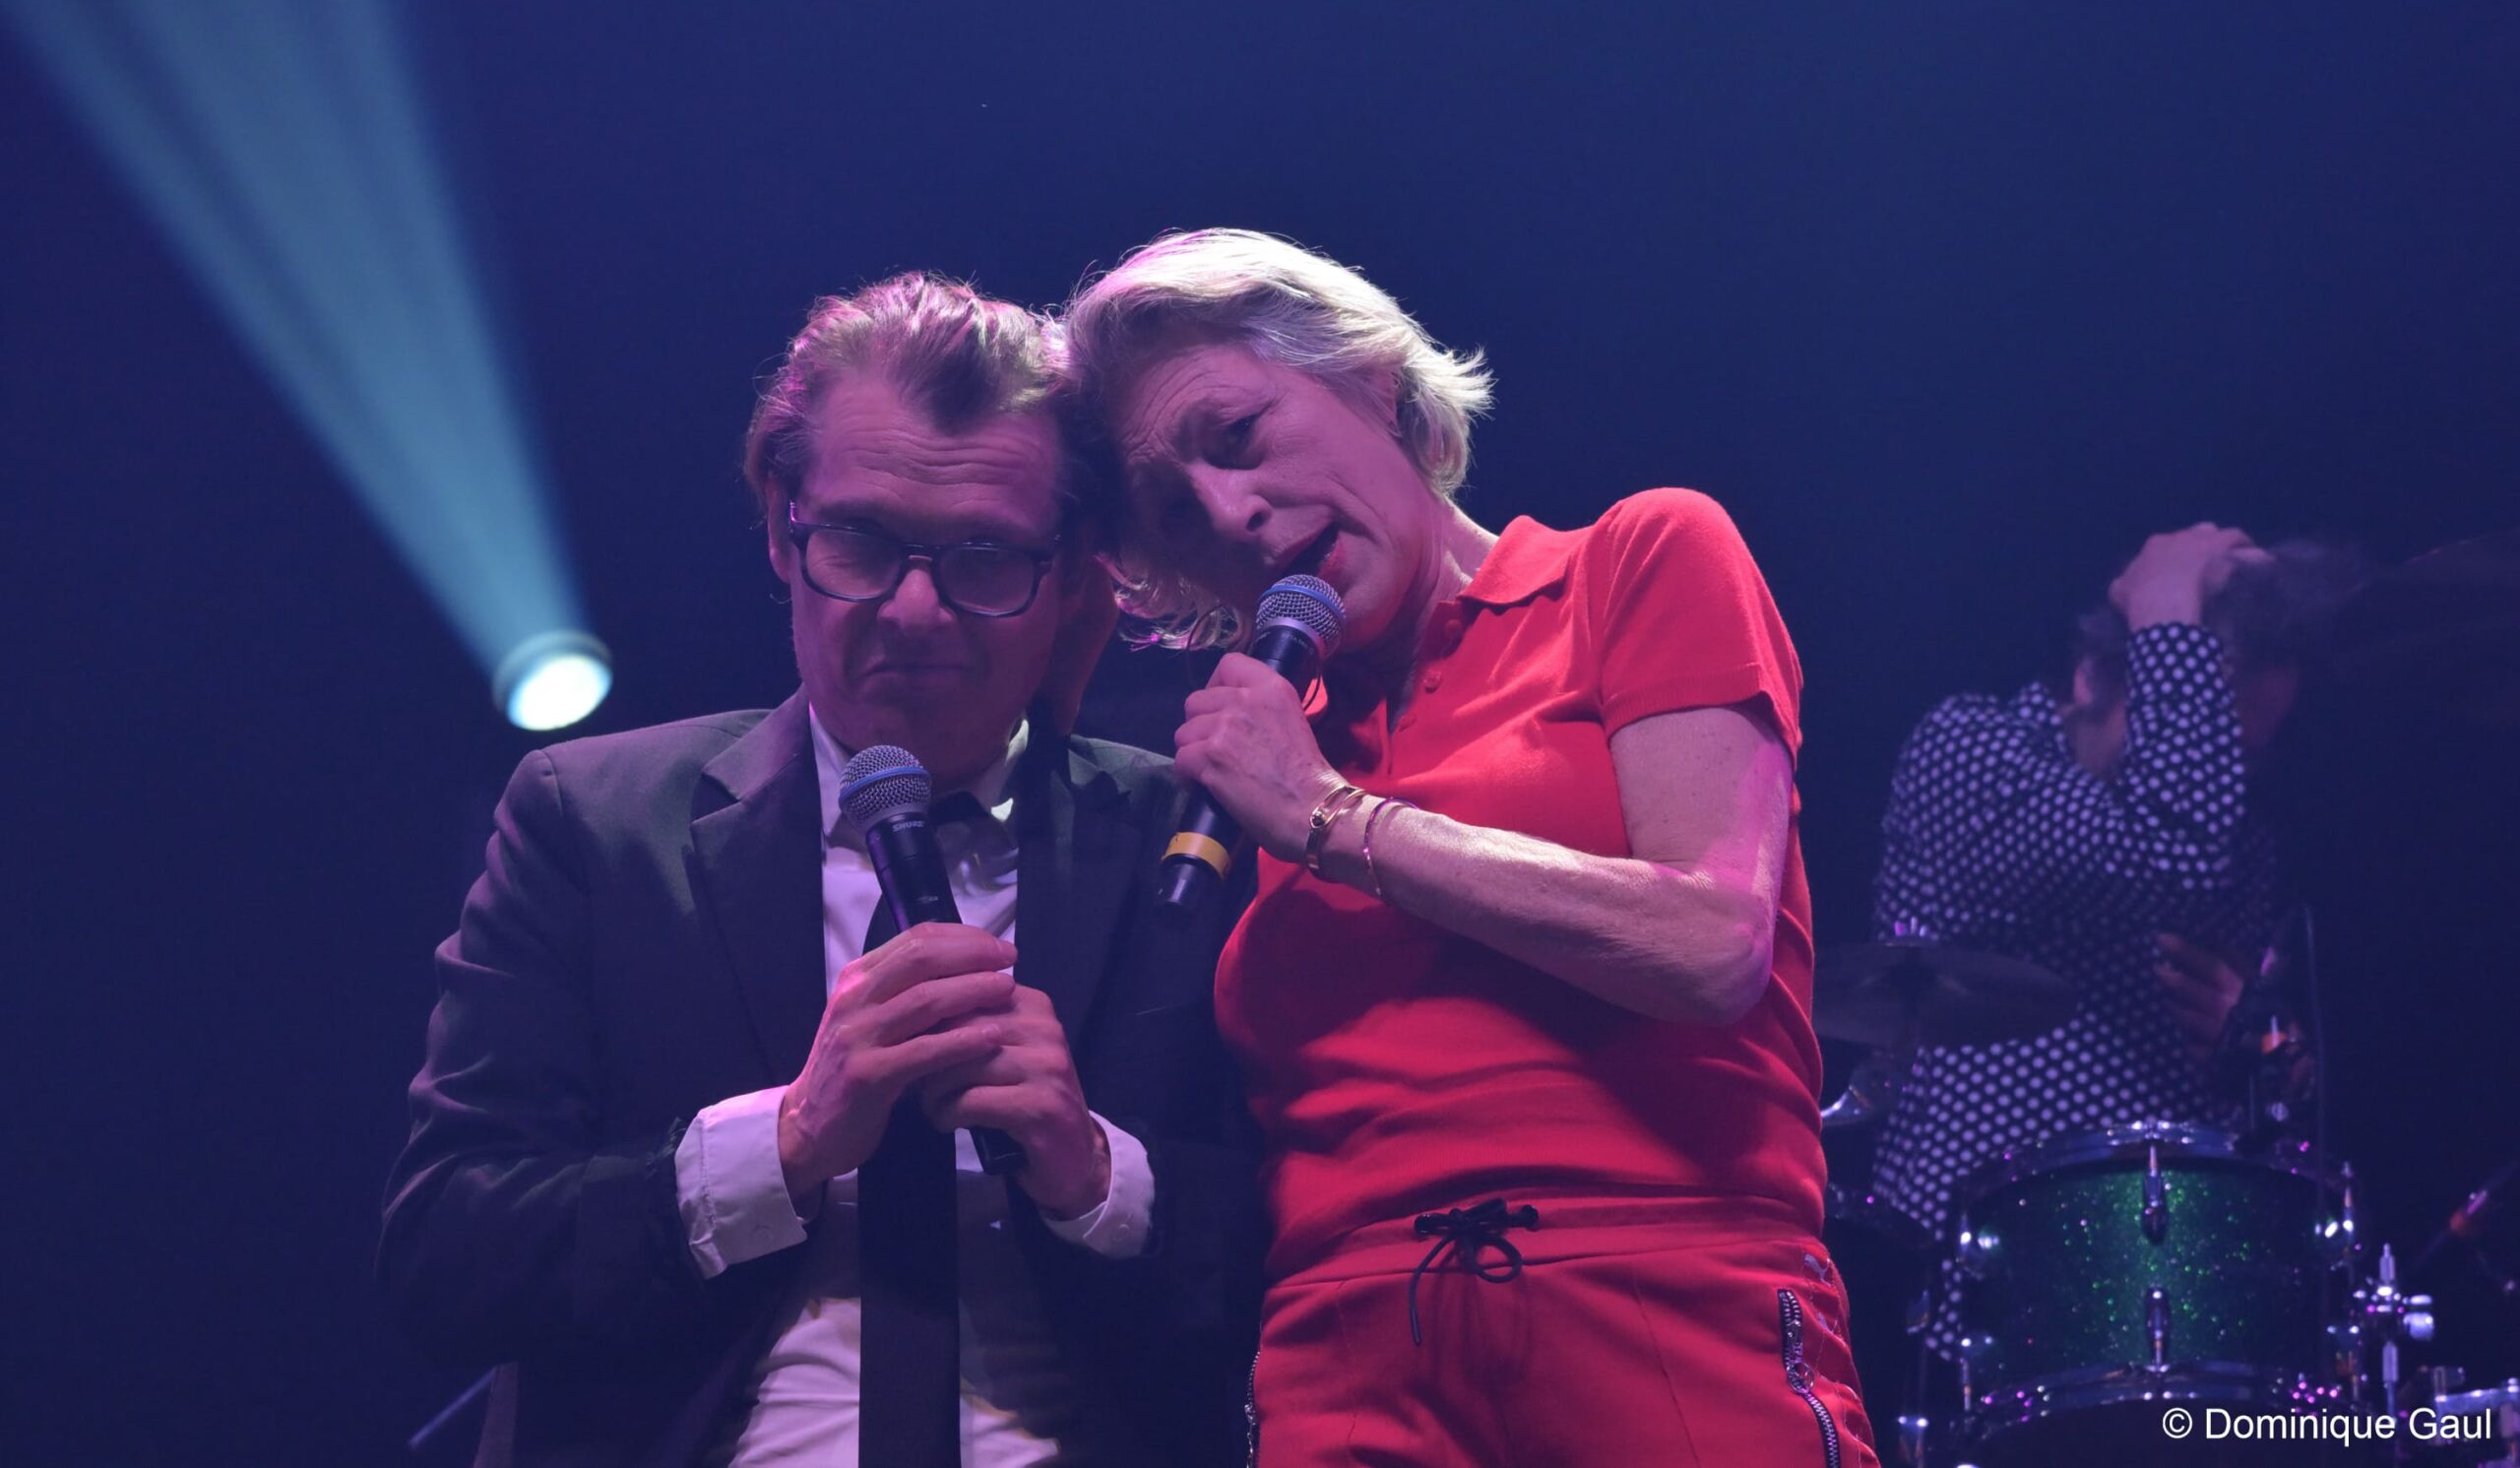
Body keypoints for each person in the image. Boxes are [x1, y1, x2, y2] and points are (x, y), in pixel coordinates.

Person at [381, 276, 1262, 1468]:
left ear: (1072, 574)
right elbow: (448, 1256)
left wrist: (1099, 1173)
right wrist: (786, 1138)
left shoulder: (1189, 837)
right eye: (861, 540)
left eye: (985, 555)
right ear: (779, 528)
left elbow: (1297, 1245)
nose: (914, 609)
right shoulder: (593, 821)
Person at [1062, 228, 1879, 1468]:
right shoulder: (1253, 754)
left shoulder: (1635, 562)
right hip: (1340, 1359)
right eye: (1177, 511)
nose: (1231, 511)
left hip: (1658, 1302)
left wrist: (1333, 817)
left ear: (1370, 378)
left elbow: (1711, 940)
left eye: (1238, 435)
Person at [1863, 523, 2363, 1358]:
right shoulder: (1974, 751)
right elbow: (2171, 853)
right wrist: (2167, 607)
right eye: (2186, 716)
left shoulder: (2234, 839)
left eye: (2239, 751)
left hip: (2183, 1288)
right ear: (2094, 675)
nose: (2214, 770)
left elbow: (2256, 1105)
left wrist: (2266, 1048)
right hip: (1975, 1292)